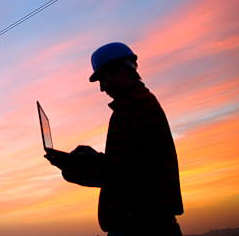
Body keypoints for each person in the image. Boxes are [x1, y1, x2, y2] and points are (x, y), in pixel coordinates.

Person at [45, 42, 183, 236]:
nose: (102, 88)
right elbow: (128, 163)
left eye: (103, 79)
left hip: (142, 227)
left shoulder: (133, 108)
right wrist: (89, 158)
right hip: (149, 224)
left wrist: (69, 165)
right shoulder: (139, 104)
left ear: (120, 71)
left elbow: (117, 174)